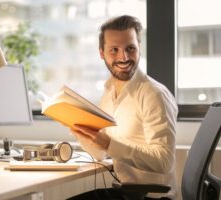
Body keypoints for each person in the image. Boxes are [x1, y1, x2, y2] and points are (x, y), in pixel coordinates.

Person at [68, 15, 178, 200]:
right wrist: (82, 133)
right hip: (126, 193)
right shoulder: (109, 92)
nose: (124, 57)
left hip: (154, 197)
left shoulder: (154, 94)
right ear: (101, 53)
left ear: (139, 49)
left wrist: (108, 143)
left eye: (130, 48)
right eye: (114, 50)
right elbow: (100, 154)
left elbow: (164, 161)